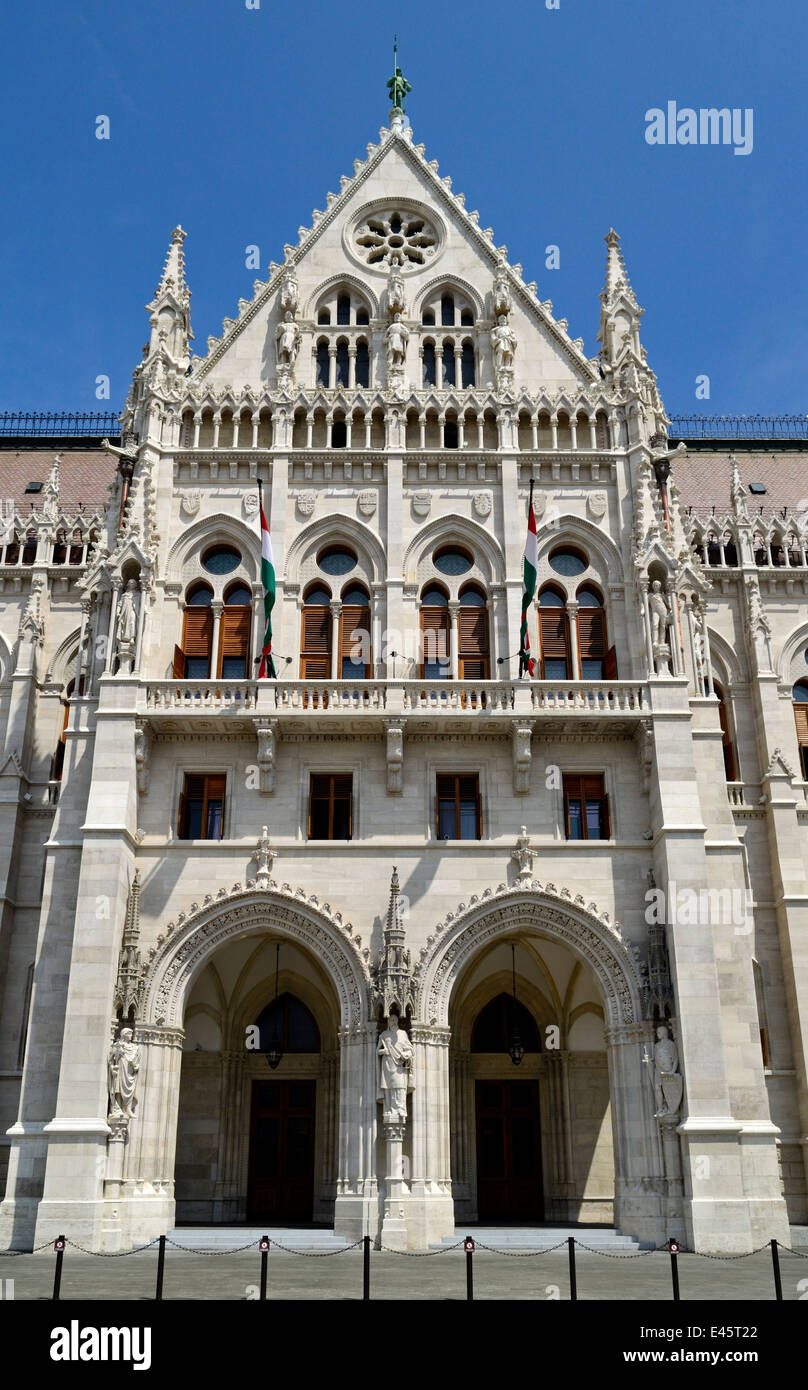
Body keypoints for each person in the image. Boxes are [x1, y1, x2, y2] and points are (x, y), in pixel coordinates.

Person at [377, 1011, 413, 1124]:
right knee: (388, 1088)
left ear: (397, 1021)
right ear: (388, 1022)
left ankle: (401, 1109)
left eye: (395, 1020)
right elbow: (377, 1051)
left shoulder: (403, 1034)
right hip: (388, 1065)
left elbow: (410, 1049)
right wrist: (384, 1051)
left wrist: (406, 1055)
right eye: (391, 1020)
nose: (393, 1022)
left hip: (399, 1065)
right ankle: (389, 1109)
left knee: (400, 1087)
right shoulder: (383, 1035)